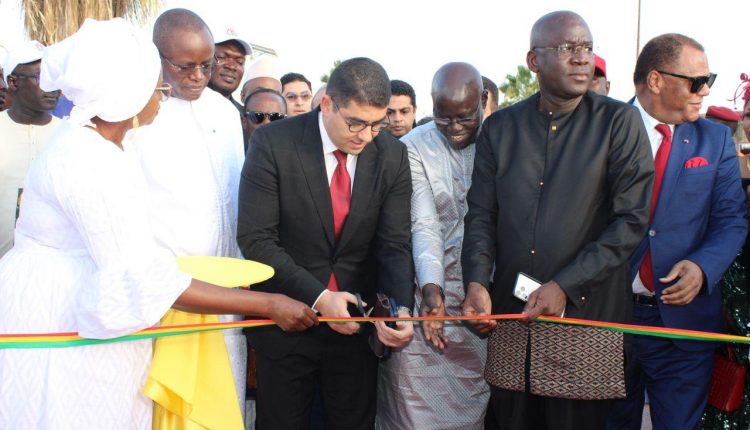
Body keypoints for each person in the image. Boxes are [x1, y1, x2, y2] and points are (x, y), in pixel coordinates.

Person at [0, 18, 316, 430]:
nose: (163, 95)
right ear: (124, 94)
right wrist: (268, 304)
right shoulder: (87, 160)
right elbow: (145, 279)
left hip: (111, 309)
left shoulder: (99, 144)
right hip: (61, 321)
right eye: (156, 88)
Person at [461, 11, 653, 430]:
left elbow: (630, 221)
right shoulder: (500, 128)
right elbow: (481, 216)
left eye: (587, 47)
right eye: (568, 48)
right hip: (513, 318)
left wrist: (566, 285)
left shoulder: (618, 123)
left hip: (586, 319)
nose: (582, 57)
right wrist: (476, 282)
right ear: (534, 60)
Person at [238, 57, 416, 430]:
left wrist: (399, 308)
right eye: (355, 123)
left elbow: (394, 244)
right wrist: (320, 296)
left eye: (376, 124)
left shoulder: (392, 154)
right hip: (285, 322)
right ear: (327, 104)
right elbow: (256, 239)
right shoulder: (274, 143)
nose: (366, 136)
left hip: (355, 329)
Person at [606, 33, 747, 430]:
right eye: (697, 81)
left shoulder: (715, 139)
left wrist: (702, 267)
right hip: (608, 318)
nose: (706, 91)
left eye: (709, 80)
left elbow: (731, 219)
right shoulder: (603, 130)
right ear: (656, 80)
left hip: (685, 327)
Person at [126, 8, 250, 417]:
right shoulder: (137, 117)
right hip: (169, 295)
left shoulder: (225, 113)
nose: (198, 76)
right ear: (157, 57)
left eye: (206, 65)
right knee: (170, 404)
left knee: (224, 399)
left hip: (227, 287)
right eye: (185, 67)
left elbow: (234, 197)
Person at [377, 62, 489, 430]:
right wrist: (431, 290)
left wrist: (479, 284)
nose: (454, 127)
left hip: (482, 298)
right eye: (444, 118)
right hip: (425, 292)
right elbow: (423, 223)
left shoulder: (500, 138)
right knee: (412, 412)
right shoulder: (412, 146)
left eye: (465, 117)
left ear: (483, 101)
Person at [0, 40, 61, 258]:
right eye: (42, 78)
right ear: (13, 82)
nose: (52, 87)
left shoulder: (69, 136)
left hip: (52, 265)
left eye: (56, 77)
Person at [207, 26, 253, 113]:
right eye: (222, 57)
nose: (231, 66)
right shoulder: (182, 102)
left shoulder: (244, 117)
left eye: (239, 62)